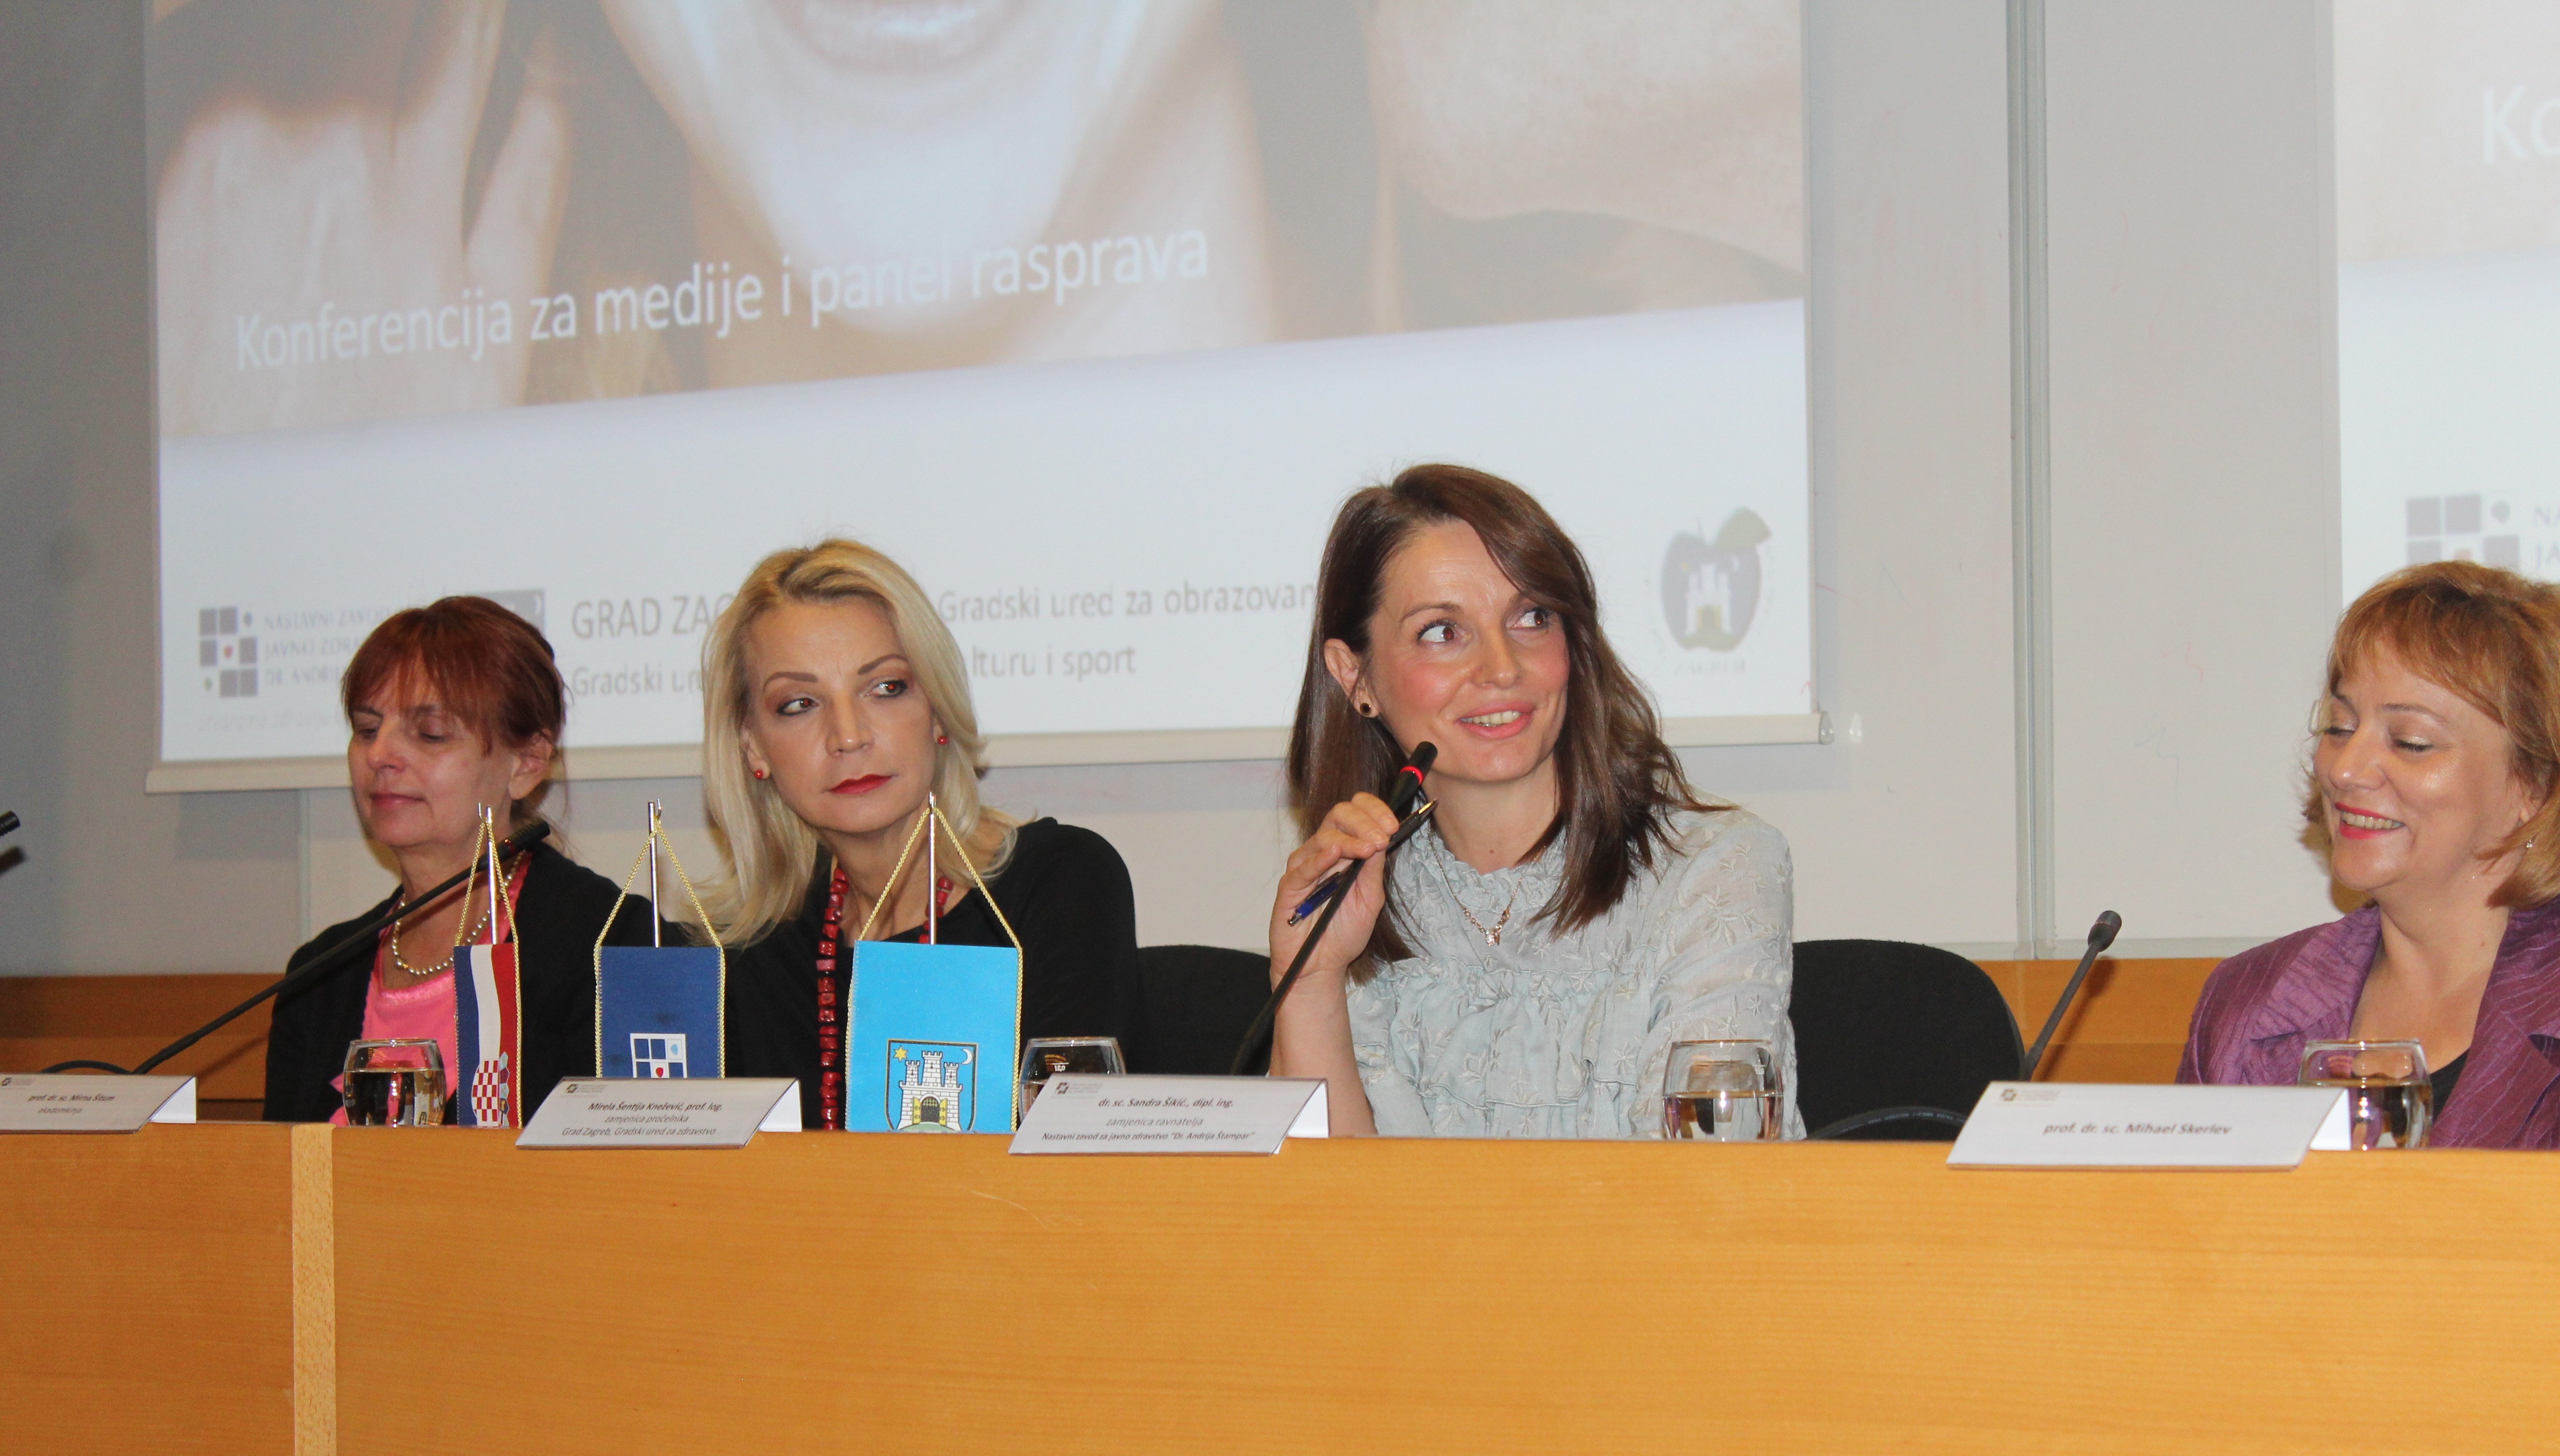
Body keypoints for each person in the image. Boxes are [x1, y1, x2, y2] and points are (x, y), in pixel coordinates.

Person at [1265, 464, 1799, 1138]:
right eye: (1442, 631)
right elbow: (1321, 1199)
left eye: (1531, 618)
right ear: (1356, 675)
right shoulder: (1353, 894)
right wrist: (1309, 979)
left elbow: (1700, 1184)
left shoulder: (1713, 871)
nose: (1501, 668)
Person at [701, 540, 1148, 1129]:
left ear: (937, 709)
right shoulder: (752, 948)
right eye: (800, 703)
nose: (849, 735)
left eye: (886, 688)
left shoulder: (1061, 884)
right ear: (752, 745)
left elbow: (1073, 1149)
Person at [2180, 560, 2560, 1147]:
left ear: (2532, 786)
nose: (2346, 769)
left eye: (2411, 742)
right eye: (2339, 727)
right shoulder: (2248, 1001)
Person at [263, 597, 661, 1124]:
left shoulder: (608, 945)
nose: (379, 755)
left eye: (430, 734)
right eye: (366, 729)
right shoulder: (319, 977)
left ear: (527, 763)